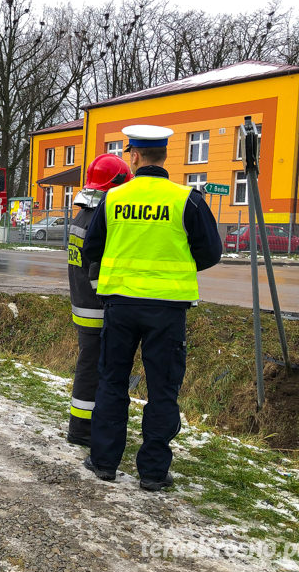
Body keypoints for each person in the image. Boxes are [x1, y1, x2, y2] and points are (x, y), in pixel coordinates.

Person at [82, 125, 222, 491]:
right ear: (164, 156)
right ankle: (154, 472)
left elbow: (91, 251)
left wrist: (105, 287)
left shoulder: (113, 199)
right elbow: (211, 252)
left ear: (135, 156)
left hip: (121, 305)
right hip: (167, 310)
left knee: (112, 382)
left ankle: (104, 462)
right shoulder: (186, 199)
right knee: (163, 390)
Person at [66, 154, 132, 447]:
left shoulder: (82, 215)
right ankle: (82, 431)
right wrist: (112, 303)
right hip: (97, 309)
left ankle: (81, 427)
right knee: (94, 371)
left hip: (82, 306)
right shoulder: (99, 218)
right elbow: (97, 270)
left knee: (88, 367)